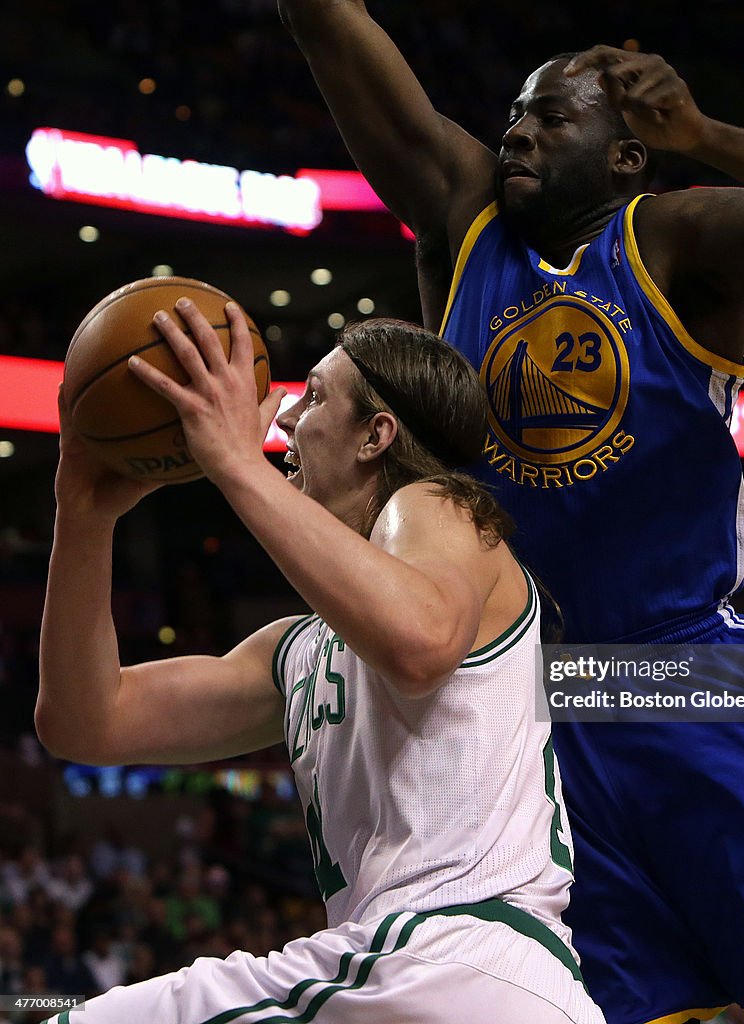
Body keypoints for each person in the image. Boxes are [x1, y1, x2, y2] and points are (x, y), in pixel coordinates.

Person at [277, 5, 744, 1022]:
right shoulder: (468, 224)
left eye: (548, 118)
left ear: (628, 154)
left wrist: (710, 139)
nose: (516, 136)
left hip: (685, 679)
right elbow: (354, 61)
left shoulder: (671, 237)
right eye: (511, 118)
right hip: (539, 708)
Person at [36, 303, 605, 1024]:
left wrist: (237, 465)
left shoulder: (440, 507)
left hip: (446, 958)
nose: (281, 424)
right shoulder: (297, 649)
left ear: (377, 435)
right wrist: (83, 515)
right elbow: (88, 724)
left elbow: (419, 643)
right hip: (446, 983)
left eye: (313, 398)